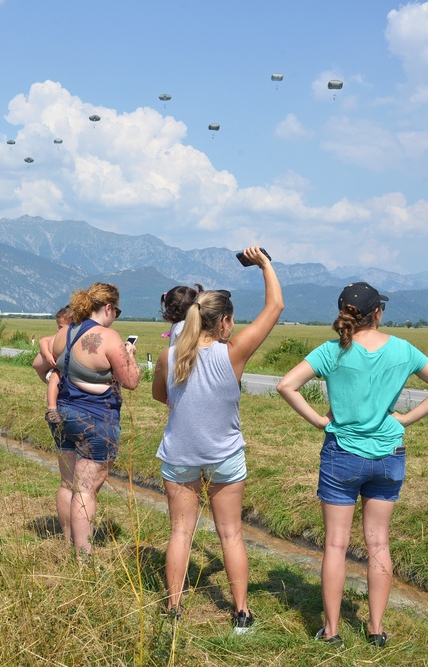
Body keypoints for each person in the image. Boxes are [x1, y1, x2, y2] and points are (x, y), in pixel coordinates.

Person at [276, 281, 428, 648]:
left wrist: (320, 421)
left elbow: (286, 385)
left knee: (335, 545)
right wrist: (404, 420)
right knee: (378, 544)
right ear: (378, 313)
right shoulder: (403, 350)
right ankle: (375, 630)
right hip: (389, 455)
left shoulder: (332, 351)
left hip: (342, 453)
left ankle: (331, 632)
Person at [152, 247, 282, 633]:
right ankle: (241, 612)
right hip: (225, 455)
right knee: (231, 533)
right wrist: (265, 265)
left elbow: (161, 396)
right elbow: (275, 306)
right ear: (224, 323)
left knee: (180, 532)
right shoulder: (233, 353)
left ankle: (173, 608)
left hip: (180, 452)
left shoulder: (169, 354)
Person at [32, 282, 141, 558]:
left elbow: (38, 365)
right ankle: (83, 558)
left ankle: (68, 543)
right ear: (108, 308)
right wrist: (130, 357)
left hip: (62, 413)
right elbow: (130, 381)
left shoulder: (65, 333)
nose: (116, 315)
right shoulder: (109, 337)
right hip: (96, 418)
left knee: (67, 483)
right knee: (85, 490)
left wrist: (56, 379)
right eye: (116, 310)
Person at [32, 306, 73, 439]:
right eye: (58, 327)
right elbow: (42, 340)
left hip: (61, 369)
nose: (58, 330)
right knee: (55, 377)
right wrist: (48, 355)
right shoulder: (59, 337)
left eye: (61, 327)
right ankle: (51, 409)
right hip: (55, 368)